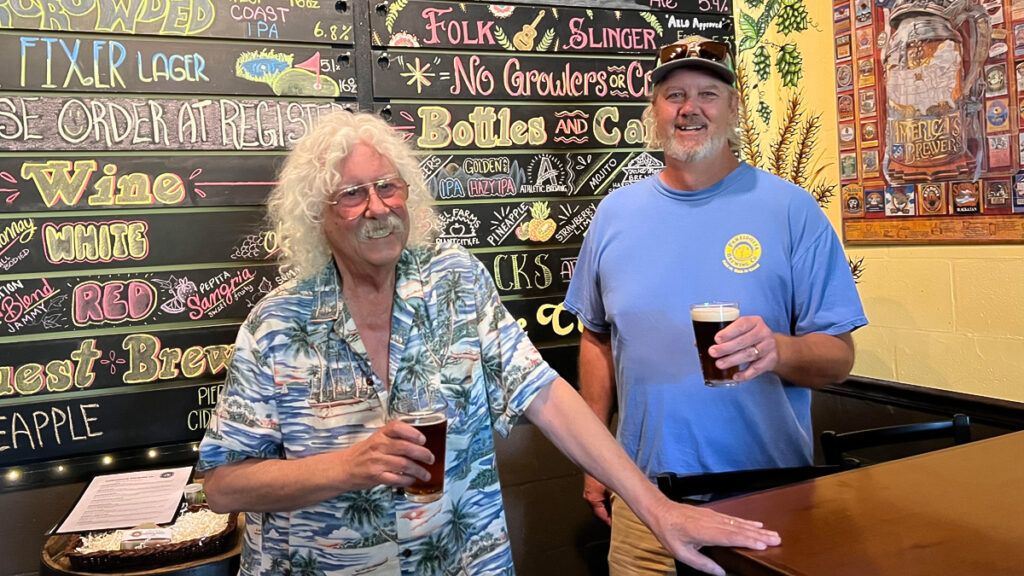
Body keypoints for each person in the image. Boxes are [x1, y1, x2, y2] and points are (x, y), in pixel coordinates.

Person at [198, 111, 780, 576]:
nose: (376, 208)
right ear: (316, 216)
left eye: (387, 187)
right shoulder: (276, 325)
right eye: (352, 195)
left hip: (464, 561)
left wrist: (657, 510)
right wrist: (348, 467)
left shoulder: (458, 281)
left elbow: (545, 392)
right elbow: (224, 486)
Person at [563, 36, 868, 575]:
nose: (690, 108)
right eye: (674, 93)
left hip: (765, 501)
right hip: (646, 506)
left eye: (708, 92)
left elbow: (838, 357)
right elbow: (596, 337)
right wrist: (597, 460)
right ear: (654, 111)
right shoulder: (615, 214)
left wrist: (776, 349)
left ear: (733, 109)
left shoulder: (790, 210)